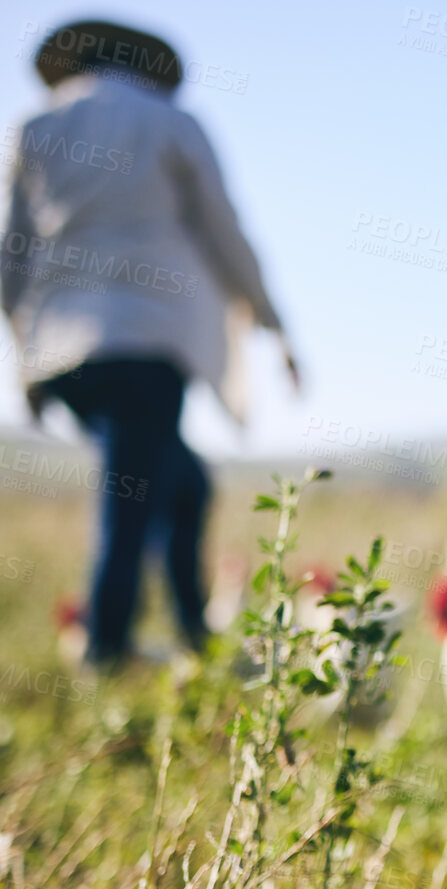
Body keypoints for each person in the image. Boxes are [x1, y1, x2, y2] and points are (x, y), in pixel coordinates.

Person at [2, 20, 297, 666]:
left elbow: (12, 254)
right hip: (143, 341)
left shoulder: (33, 129)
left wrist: (23, 348)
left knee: (182, 484)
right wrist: (276, 325)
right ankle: (105, 651)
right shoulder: (171, 123)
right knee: (129, 494)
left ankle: (195, 632)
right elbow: (225, 231)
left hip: (63, 352)